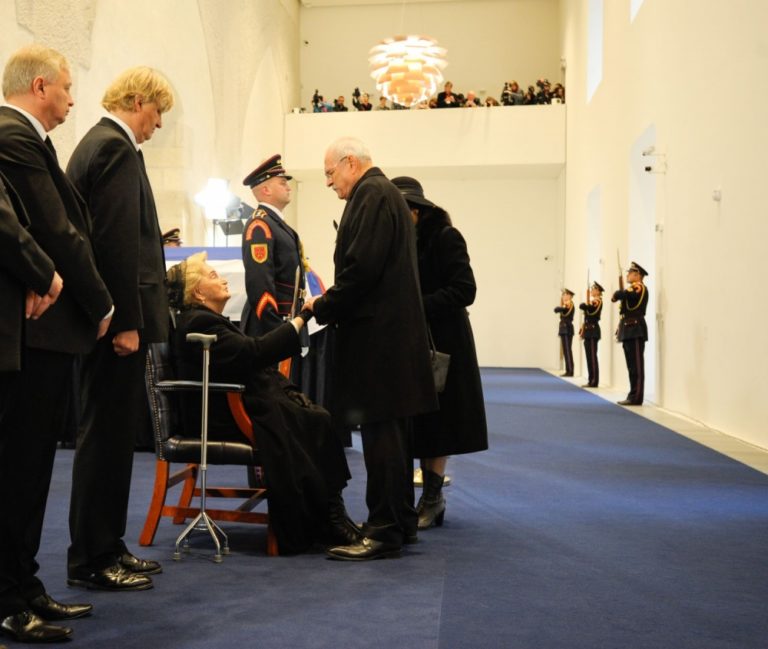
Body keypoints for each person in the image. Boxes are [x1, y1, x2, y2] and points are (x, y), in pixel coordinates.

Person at [0, 44, 113, 643]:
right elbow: (56, 230)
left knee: (33, 470)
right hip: (30, 330)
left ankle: (24, 585)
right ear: (40, 86)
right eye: (67, 85)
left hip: (42, 331)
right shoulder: (12, 135)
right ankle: (8, 596)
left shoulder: (29, 140)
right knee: (17, 472)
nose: (73, 96)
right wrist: (100, 301)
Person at [166, 252, 360, 554]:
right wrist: (300, 319)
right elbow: (254, 352)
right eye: (213, 275)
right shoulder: (200, 322)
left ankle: (331, 516)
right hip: (221, 415)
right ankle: (330, 519)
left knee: (313, 417)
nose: (223, 279)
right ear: (198, 293)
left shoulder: (206, 320)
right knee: (313, 419)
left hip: (233, 404)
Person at [65, 66, 174, 592]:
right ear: (136, 101)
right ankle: (92, 557)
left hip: (109, 319)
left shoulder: (107, 144)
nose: (159, 123)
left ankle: (107, 545)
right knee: (105, 440)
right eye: (157, 111)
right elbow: (115, 243)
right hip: (115, 324)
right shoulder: (113, 147)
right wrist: (126, 323)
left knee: (111, 438)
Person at [309, 137, 438, 561]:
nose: (329, 182)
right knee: (393, 440)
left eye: (330, 173)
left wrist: (321, 306)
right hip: (390, 342)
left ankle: (383, 531)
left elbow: (360, 270)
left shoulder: (371, 194)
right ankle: (399, 522)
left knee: (382, 441)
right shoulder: (383, 194)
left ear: (351, 162)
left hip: (379, 344)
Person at [391, 177, 488, 530]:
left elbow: (465, 290)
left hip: (444, 342)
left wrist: (415, 305)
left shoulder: (446, 237)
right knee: (415, 421)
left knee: (440, 421)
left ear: (415, 211)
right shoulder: (398, 242)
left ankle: (432, 498)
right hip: (410, 341)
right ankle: (417, 499)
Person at [240, 155, 306, 377]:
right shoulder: (260, 225)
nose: (288, 186)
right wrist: (276, 330)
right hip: (267, 327)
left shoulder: (275, 223)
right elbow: (260, 283)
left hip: (283, 322)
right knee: (268, 387)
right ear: (266, 190)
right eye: (282, 182)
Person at [612, 262, 649, 405]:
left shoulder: (639, 287)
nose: (627, 275)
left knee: (637, 366)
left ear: (637, 275)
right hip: (628, 329)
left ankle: (637, 397)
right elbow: (618, 298)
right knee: (631, 366)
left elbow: (630, 295)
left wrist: (620, 293)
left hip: (636, 329)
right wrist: (618, 295)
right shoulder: (631, 289)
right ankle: (632, 394)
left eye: (630, 273)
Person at [579, 281, 604, 388]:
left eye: (593, 289)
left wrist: (586, 306)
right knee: (589, 357)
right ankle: (590, 379)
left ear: (598, 291)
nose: (591, 291)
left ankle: (594, 381)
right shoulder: (592, 302)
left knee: (593, 357)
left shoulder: (598, 301)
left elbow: (592, 310)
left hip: (593, 330)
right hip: (588, 331)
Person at [554, 289, 575, 377]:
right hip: (564, 328)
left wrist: (560, 307)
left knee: (567, 350)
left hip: (567, 328)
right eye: (563, 295)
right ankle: (568, 370)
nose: (563, 296)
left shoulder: (569, 304)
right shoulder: (566, 304)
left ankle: (570, 370)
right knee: (566, 350)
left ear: (570, 296)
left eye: (565, 294)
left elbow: (559, 309)